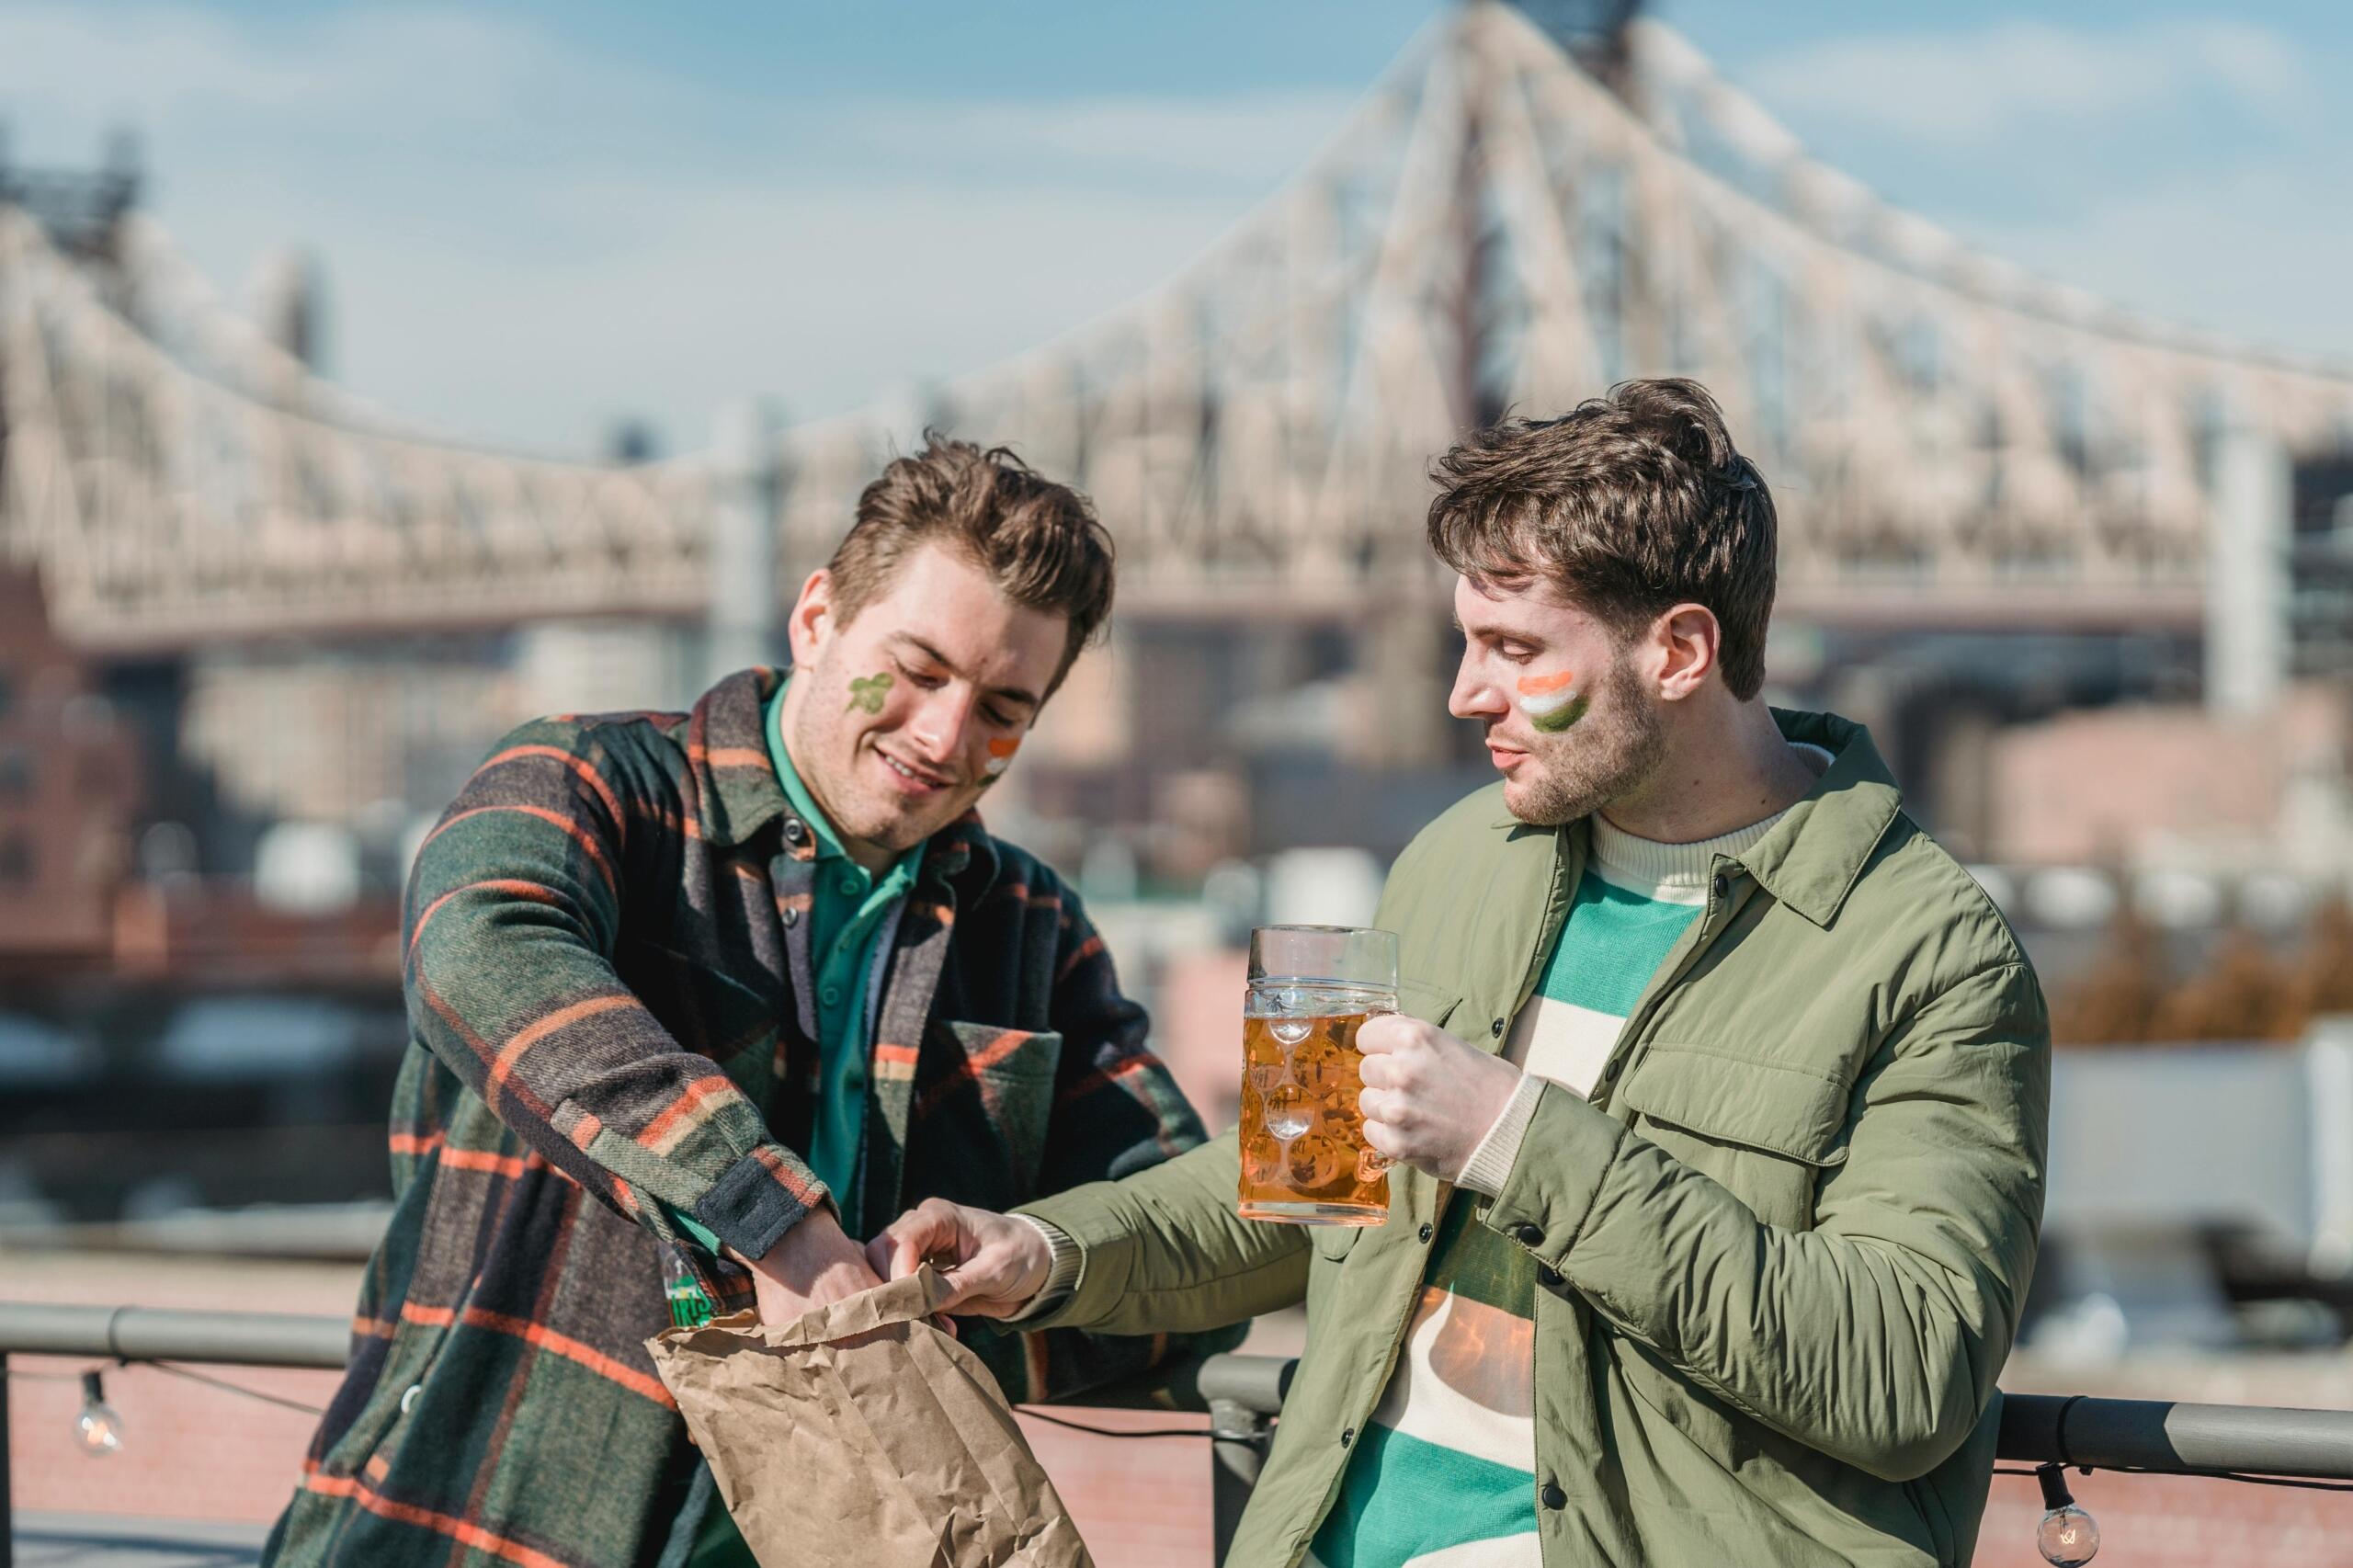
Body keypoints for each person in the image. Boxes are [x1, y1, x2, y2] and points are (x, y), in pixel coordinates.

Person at [871, 381, 2052, 1568]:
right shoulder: (1459, 854)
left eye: (1516, 648)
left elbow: (1904, 1378)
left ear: (1682, 649)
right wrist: (1048, 1250)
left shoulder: (1929, 953)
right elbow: (1299, 1185)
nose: (1463, 692)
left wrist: (1518, 1138)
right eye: (1466, 643)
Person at [265, 437, 1235, 1568]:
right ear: (817, 616)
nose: (944, 736)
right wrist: (778, 1223)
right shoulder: (586, 782)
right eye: (918, 671)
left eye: (1001, 706)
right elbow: (477, 950)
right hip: (465, 1524)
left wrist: (1018, 1273)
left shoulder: (1031, 924)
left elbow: (1183, 1239)